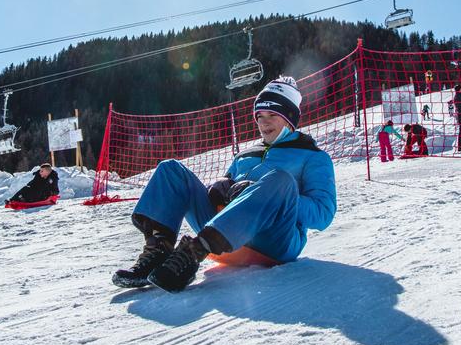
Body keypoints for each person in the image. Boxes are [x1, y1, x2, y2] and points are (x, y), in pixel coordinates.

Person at [112, 76, 336, 293]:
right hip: (225, 243)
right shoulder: (244, 155)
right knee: (171, 170)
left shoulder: (313, 157)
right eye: (259, 115)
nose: (263, 122)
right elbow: (227, 193)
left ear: (289, 119)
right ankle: (158, 250)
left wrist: (268, 194)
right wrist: (219, 187)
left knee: (281, 180)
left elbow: (323, 214)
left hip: (274, 243)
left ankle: (193, 253)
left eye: (272, 114)